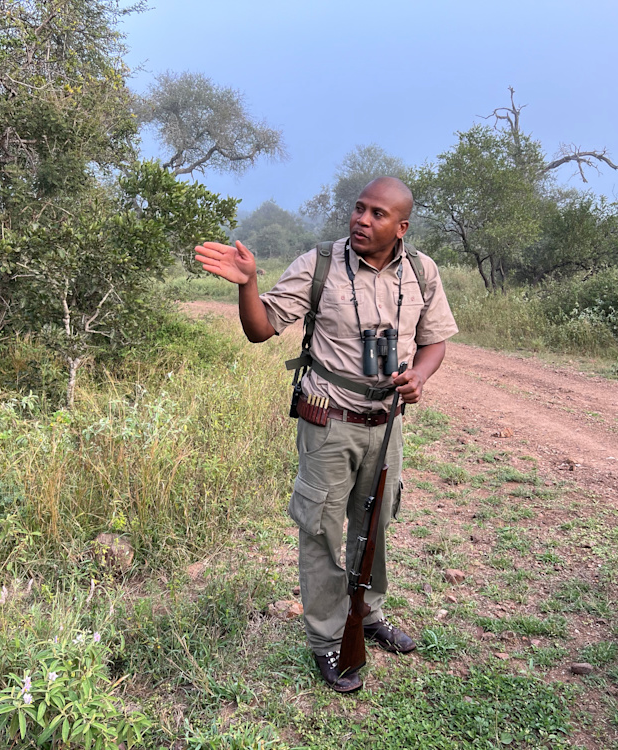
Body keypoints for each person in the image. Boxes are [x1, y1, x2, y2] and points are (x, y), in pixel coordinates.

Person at [194, 177, 458, 692]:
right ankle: (326, 638)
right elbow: (260, 328)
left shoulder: (422, 272)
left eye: (377, 214)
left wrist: (419, 377)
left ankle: (367, 614)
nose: (361, 219)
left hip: (386, 425)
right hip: (328, 421)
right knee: (320, 530)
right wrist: (249, 284)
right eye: (358, 209)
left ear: (400, 227)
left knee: (375, 521)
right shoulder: (319, 263)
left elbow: (434, 342)